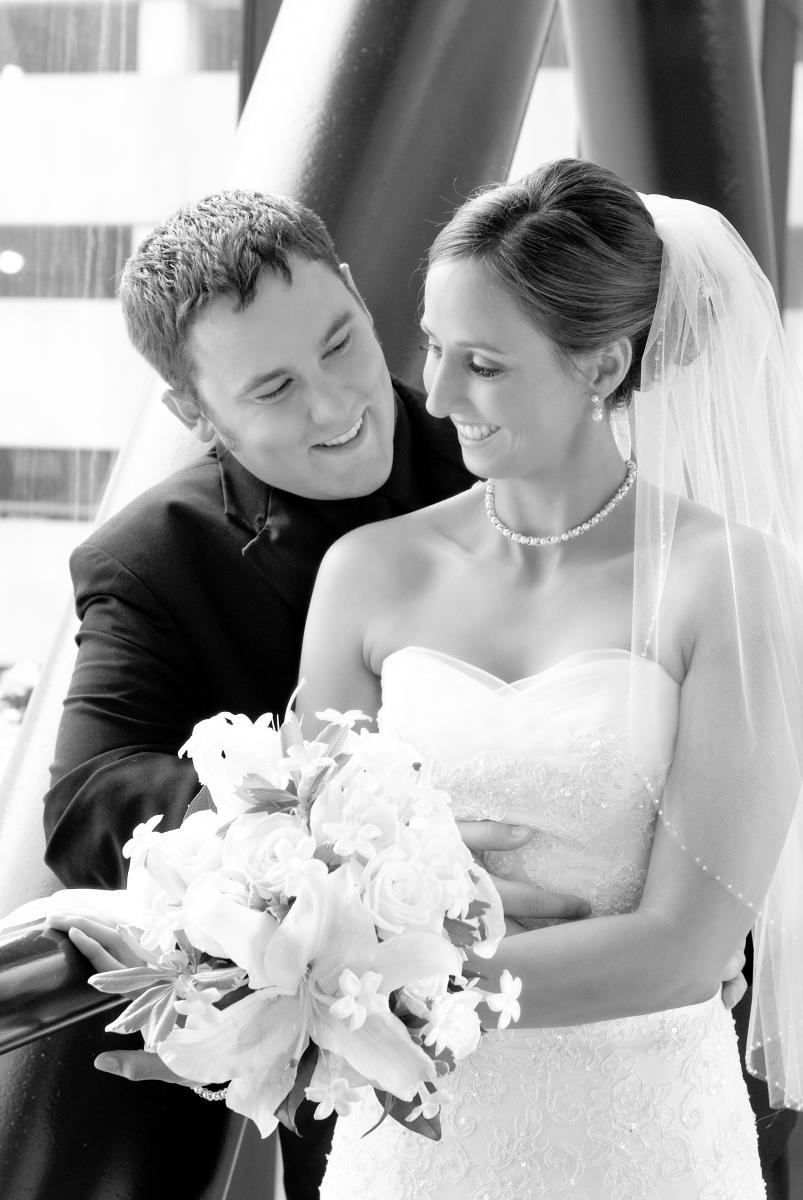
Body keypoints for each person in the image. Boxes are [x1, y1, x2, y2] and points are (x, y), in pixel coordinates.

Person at [41, 189, 594, 1200]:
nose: (336, 405)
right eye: (275, 389)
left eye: (340, 344)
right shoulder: (150, 562)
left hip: (620, 1024)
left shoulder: (532, 444)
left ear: (357, 294)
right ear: (195, 416)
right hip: (383, 1094)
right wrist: (315, 833)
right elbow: (87, 801)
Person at [295, 158, 803, 1197]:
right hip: (411, 1145)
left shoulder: (726, 579)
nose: (434, 396)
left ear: (603, 366)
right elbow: (297, 863)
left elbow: (681, 949)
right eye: (433, 347)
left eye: (481, 363)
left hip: (638, 1139)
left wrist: (391, 974)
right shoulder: (366, 573)